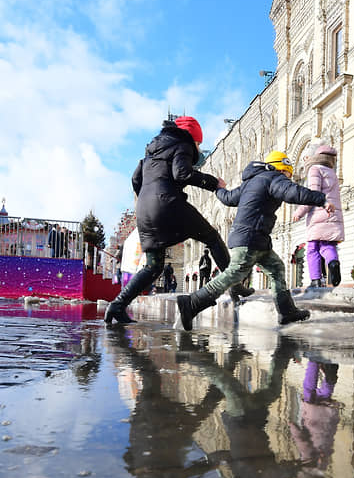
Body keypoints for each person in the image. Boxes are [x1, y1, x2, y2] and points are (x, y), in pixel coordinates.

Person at [105, 116, 253, 325]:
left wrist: (148, 197)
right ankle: (235, 285)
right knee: (212, 237)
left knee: (153, 267)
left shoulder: (150, 153)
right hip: (168, 203)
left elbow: (135, 179)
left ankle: (117, 306)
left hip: (145, 210)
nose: (198, 148)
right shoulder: (182, 143)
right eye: (199, 143)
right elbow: (181, 173)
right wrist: (214, 183)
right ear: (192, 136)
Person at [176, 151, 334, 330]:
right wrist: (321, 199)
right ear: (282, 168)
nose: (289, 178)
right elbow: (293, 192)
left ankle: (287, 311)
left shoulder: (251, 182)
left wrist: (219, 188)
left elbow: (228, 198)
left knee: (277, 268)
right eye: (288, 174)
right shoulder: (274, 177)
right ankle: (192, 302)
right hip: (250, 237)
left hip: (255, 238)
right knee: (234, 273)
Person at [292, 144, 345, 288]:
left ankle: (315, 280)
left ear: (313, 156)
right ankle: (333, 262)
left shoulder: (314, 170)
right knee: (327, 246)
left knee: (312, 249)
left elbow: (313, 195)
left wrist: (299, 212)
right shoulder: (331, 171)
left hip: (318, 215)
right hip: (333, 214)